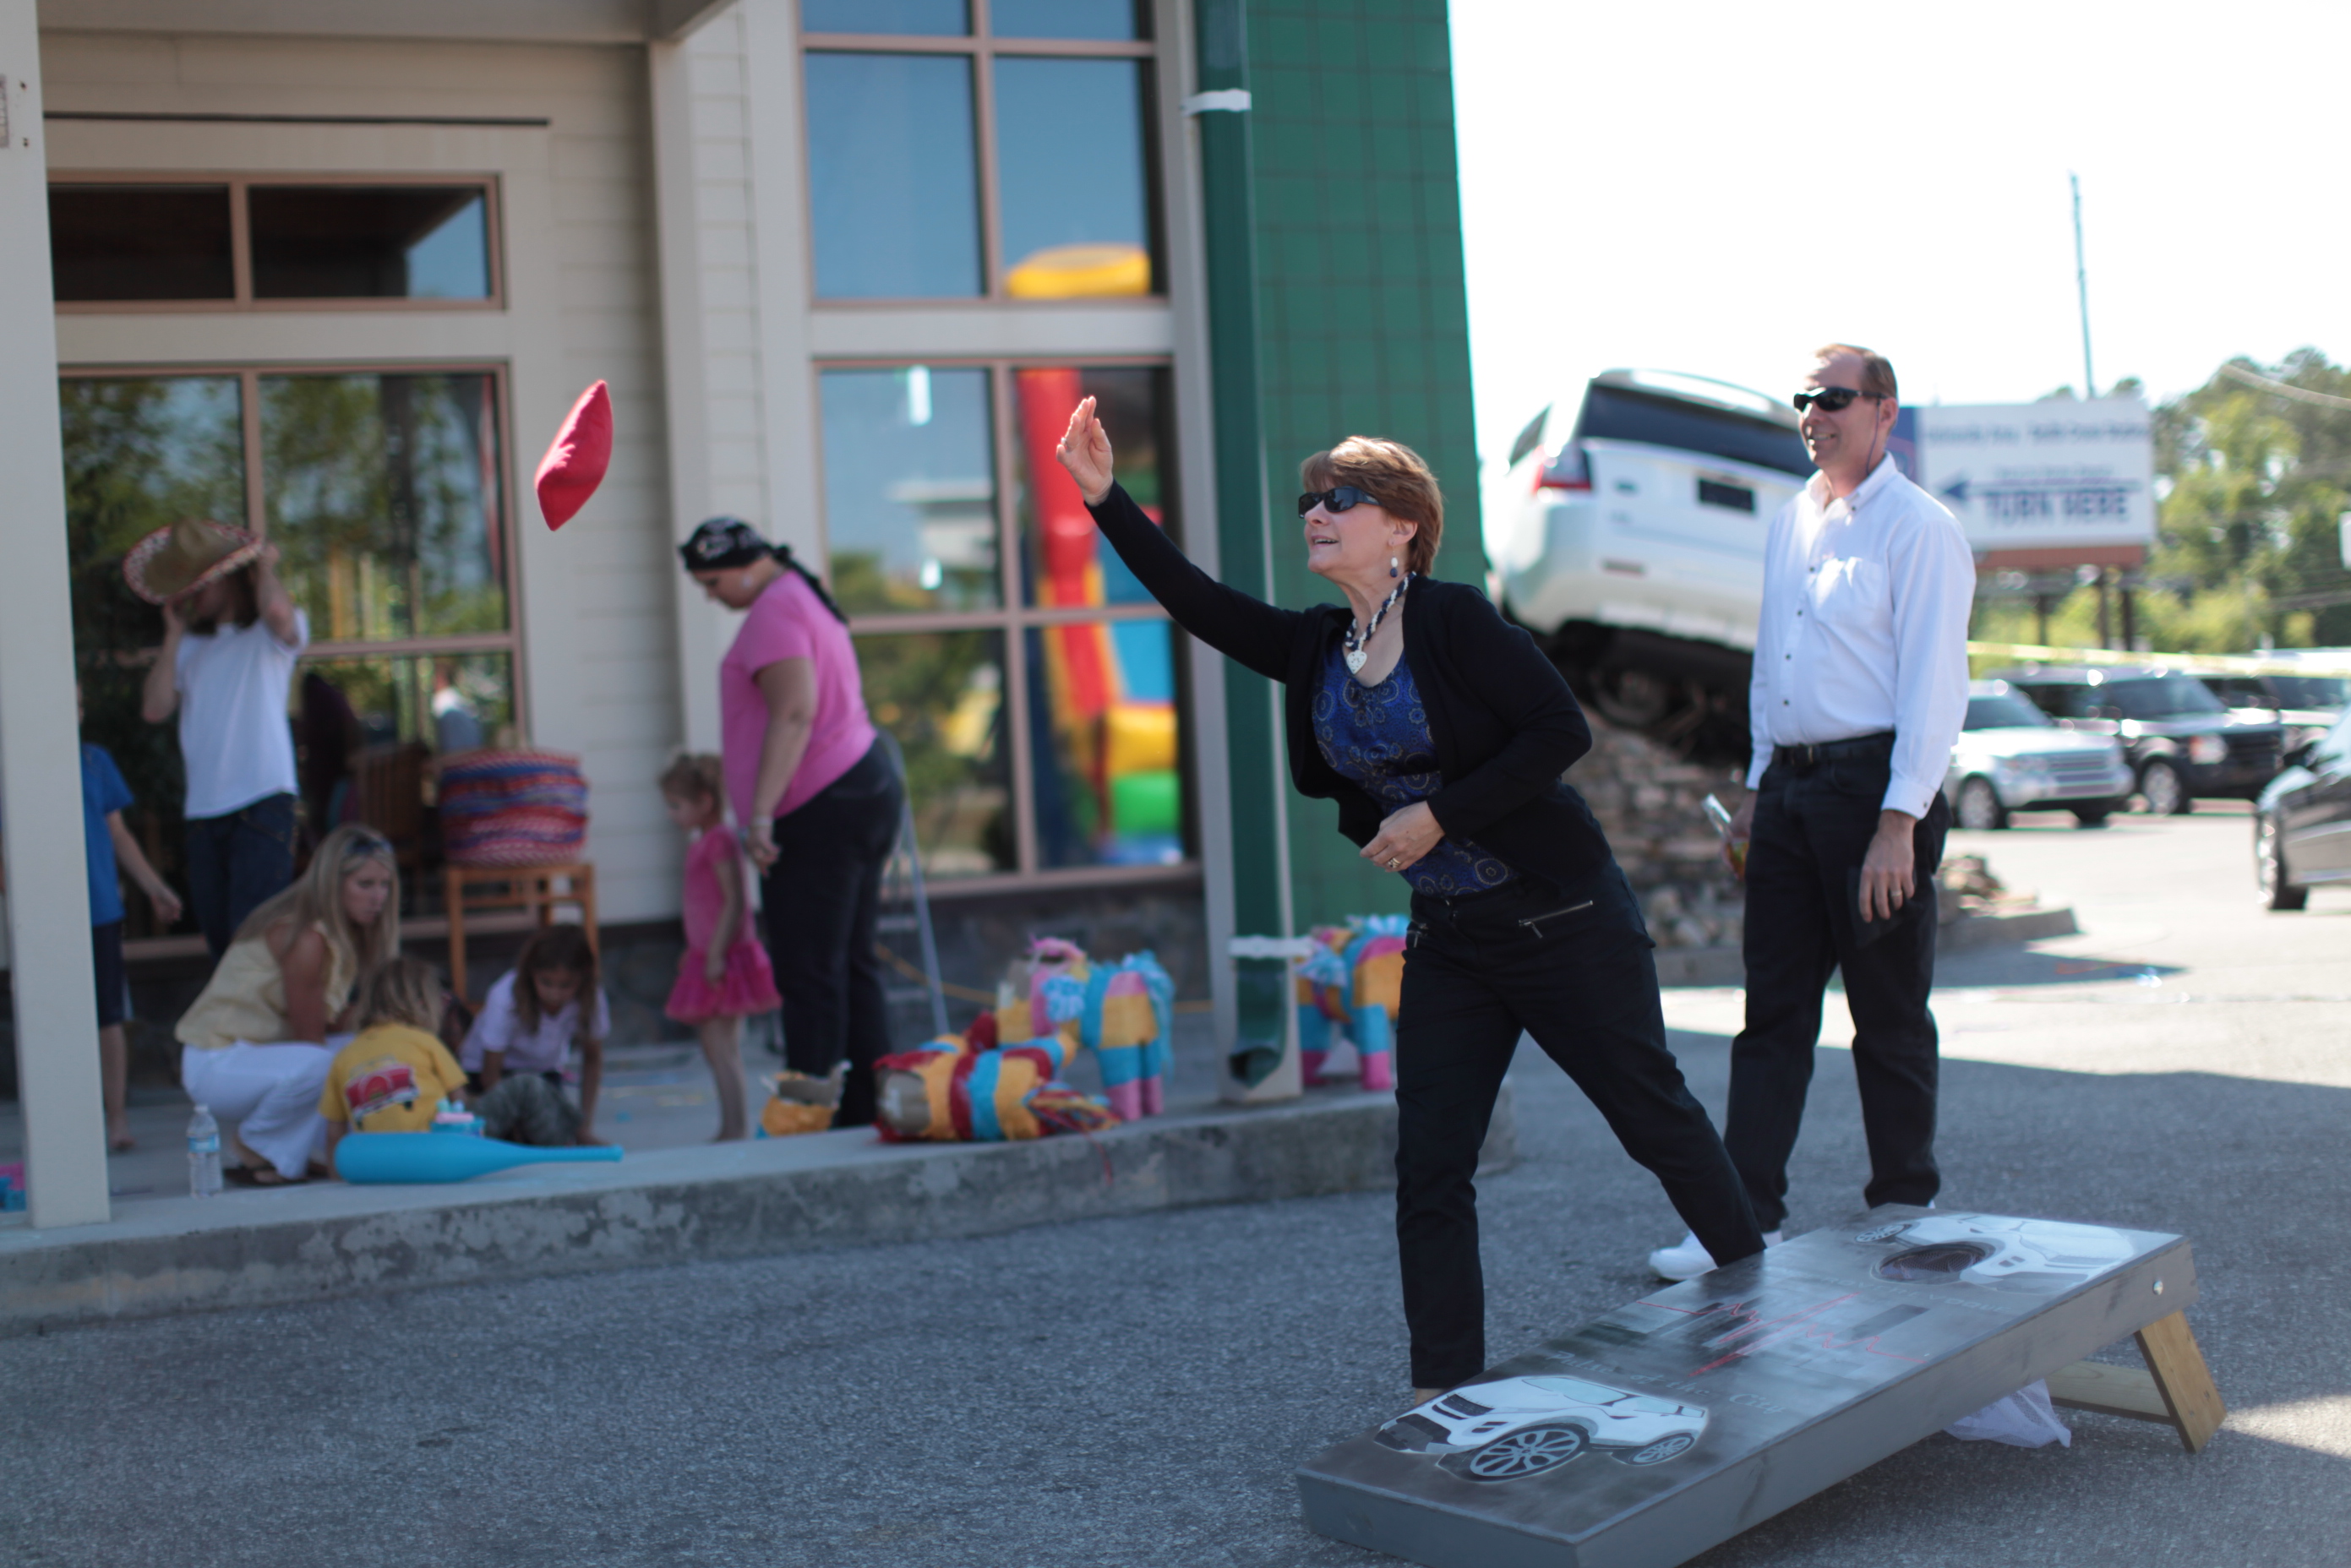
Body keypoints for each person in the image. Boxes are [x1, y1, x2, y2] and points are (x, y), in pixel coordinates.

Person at [1053, 399, 1764, 1400]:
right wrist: (1105, 498)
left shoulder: (1454, 617)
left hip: (1560, 918)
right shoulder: (1316, 645)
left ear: (1402, 524)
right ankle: (1444, 1389)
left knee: (1653, 1116)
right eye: (1310, 500)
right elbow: (1198, 602)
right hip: (1452, 939)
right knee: (1430, 1165)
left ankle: (1769, 1299)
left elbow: (1560, 729)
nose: (1315, 513)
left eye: (1339, 498)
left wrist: (1438, 814)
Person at [1645, 345, 1973, 1282]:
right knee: (1772, 1015)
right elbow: (1771, 666)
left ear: (1884, 411)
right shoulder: (1792, 520)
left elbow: (1936, 685)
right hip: (1788, 792)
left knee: (1888, 1011)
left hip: (1874, 792)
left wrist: (1899, 822)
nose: (1813, 415)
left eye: (1833, 398)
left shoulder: (1920, 527)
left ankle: (1905, 1211)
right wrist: (1756, 791)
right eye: (1804, 399)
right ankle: (1743, 1224)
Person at [679, 516, 903, 1130]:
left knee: (809, 971)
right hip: (859, 784)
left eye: (713, 582)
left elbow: (796, 712)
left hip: (820, 803)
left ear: (747, 566)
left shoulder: (775, 610)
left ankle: (811, 1119)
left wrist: (759, 817)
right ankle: (868, 1110)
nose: (711, 596)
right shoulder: (800, 595)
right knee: (849, 961)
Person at [0, 689, 182, 1152]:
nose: (75, 712)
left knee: (108, 1016)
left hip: (98, 907)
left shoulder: (95, 762)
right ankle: (54, 1122)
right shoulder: (15, 765)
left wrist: (155, 887)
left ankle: (116, 1117)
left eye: (79, 704)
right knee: (44, 1018)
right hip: (40, 915)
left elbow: (118, 834)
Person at [175, 823, 401, 1184]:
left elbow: (328, 1024)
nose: (378, 897)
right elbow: (310, 1038)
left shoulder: (336, 933)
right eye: (365, 884)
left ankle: (305, 1151)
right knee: (326, 1063)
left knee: (376, 1046)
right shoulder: (305, 937)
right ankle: (256, 1145)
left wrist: (390, 1020)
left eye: (385, 885)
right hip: (217, 1062)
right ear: (332, 884)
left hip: (259, 1055)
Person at [130, 519, 308, 958]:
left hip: (263, 801)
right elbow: (154, 708)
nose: (190, 594)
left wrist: (262, 566)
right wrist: (173, 637)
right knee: (220, 942)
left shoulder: (266, 636)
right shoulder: (191, 647)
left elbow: (278, 612)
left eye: (200, 583)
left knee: (255, 943)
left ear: (228, 578)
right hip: (204, 812)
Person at [659, 753, 782, 1142]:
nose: (671, 814)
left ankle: (735, 1127)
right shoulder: (705, 841)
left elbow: (734, 901)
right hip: (708, 953)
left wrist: (714, 954)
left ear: (704, 802)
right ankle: (731, 1125)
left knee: (721, 1045)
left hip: (725, 958)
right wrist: (696, 949)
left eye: (676, 805)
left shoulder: (720, 841)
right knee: (715, 1045)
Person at [458, 924, 608, 1146]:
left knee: (556, 1137)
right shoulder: (505, 997)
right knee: (524, 1104)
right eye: (546, 982)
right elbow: (490, 1075)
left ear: (582, 979)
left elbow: (593, 1059)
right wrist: (515, 1126)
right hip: (487, 1080)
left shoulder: (591, 998)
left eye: (566, 985)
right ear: (531, 973)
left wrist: (584, 1126)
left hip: (544, 1078)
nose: (555, 993)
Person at [319, 957, 467, 1162]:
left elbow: (334, 1133)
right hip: (430, 1155)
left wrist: (336, 1176)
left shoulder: (344, 1056)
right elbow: (460, 1101)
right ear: (423, 1003)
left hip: (374, 1162)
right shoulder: (426, 1042)